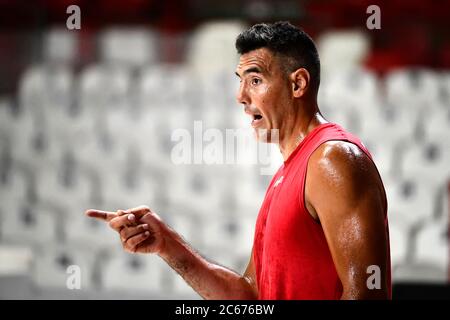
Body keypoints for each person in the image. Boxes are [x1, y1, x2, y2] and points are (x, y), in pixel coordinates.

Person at [86, 21, 391, 300]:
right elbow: (250, 295)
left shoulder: (332, 159)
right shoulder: (289, 173)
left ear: (298, 84)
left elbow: (368, 294)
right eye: (240, 80)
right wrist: (167, 244)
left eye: (255, 80)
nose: (241, 96)